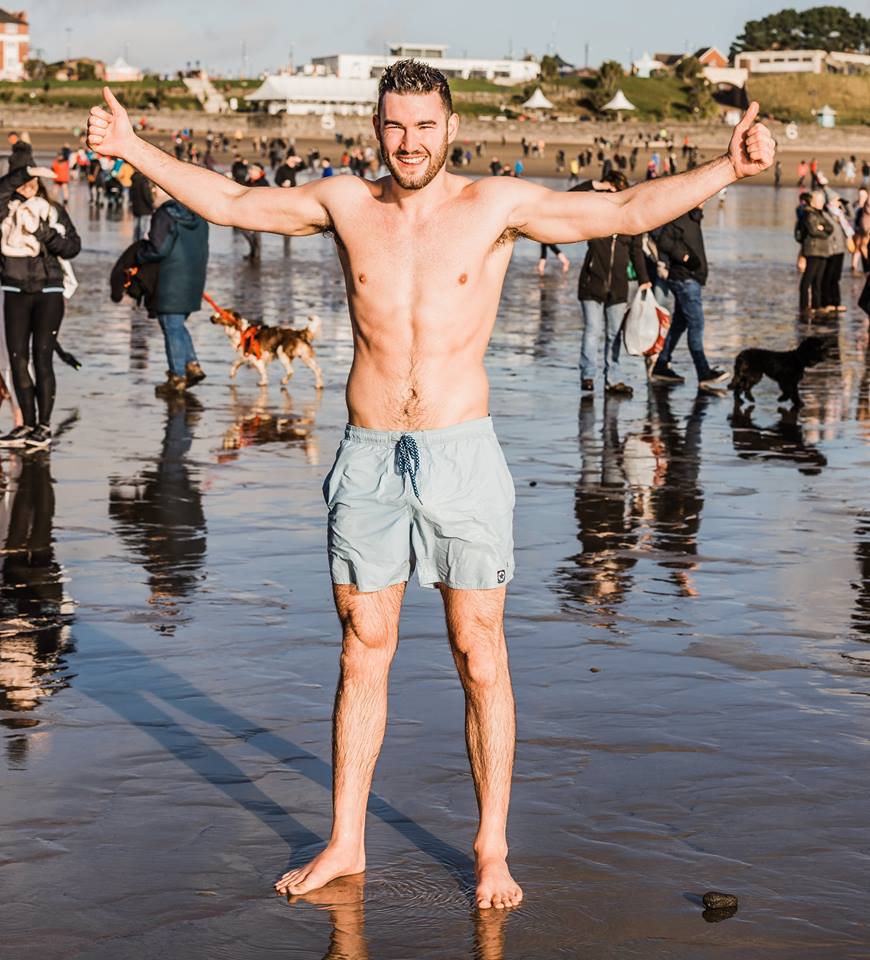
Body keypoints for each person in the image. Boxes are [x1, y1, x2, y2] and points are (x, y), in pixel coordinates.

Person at [87, 61, 774, 910]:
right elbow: (229, 202)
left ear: (451, 127)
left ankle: (491, 847)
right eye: (393, 126)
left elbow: (625, 211)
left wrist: (730, 169)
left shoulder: (494, 207)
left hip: (461, 456)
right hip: (369, 456)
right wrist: (130, 147)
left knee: (478, 653)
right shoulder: (346, 203)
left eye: (423, 126)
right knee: (360, 647)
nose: (407, 142)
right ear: (376, 127)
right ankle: (346, 838)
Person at [0, 165, 81, 449]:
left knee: (42, 358)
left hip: (49, 291)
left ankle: (44, 427)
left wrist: (43, 233)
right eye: (23, 181)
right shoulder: (5, 210)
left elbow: (72, 247)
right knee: (17, 359)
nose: (28, 185)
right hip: (14, 289)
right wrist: (20, 174)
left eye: (33, 180)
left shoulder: (53, 210)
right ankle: (27, 425)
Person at [573, 176, 651, 398]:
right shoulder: (593, 216)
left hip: (618, 288)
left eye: (618, 191)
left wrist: (644, 279)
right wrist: (594, 185)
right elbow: (568, 198)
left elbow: (637, 252)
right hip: (591, 284)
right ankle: (588, 376)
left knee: (614, 334)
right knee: (592, 331)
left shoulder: (631, 222)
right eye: (610, 190)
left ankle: (613, 378)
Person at [649, 205, 729, 390]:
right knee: (696, 324)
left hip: (690, 278)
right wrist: (684, 257)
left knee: (680, 323)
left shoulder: (693, 217)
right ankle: (704, 372)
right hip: (684, 279)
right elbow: (663, 239)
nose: (705, 200)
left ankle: (661, 365)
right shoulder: (679, 215)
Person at [137, 188, 208, 395]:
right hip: (193, 277)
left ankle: (177, 377)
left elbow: (158, 249)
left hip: (169, 278)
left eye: (156, 187)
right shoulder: (200, 214)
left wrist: (139, 254)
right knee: (177, 324)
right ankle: (191, 365)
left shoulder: (165, 214)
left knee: (171, 326)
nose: (151, 191)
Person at [796, 189, 833, 315]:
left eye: (823, 201)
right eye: (820, 201)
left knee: (818, 280)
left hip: (822, 250)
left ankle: (817, 306)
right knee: (808, 279)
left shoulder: (820, 214)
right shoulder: (809, 213)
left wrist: (822, 229)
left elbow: (830, 227)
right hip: (812, 250)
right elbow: (813, 231)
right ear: (813, 201)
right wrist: (822, 230)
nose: (822, 203)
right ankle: (804, 307)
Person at [130, 169, 154, 241]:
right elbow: (146, 195)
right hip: (145, 209)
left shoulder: (134, 180)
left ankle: (135, 245)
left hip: (136, 208)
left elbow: (131, 194)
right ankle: (140, 247)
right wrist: (151, 205)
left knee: (136, 229)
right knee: (143, 230)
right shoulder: (143, 181)